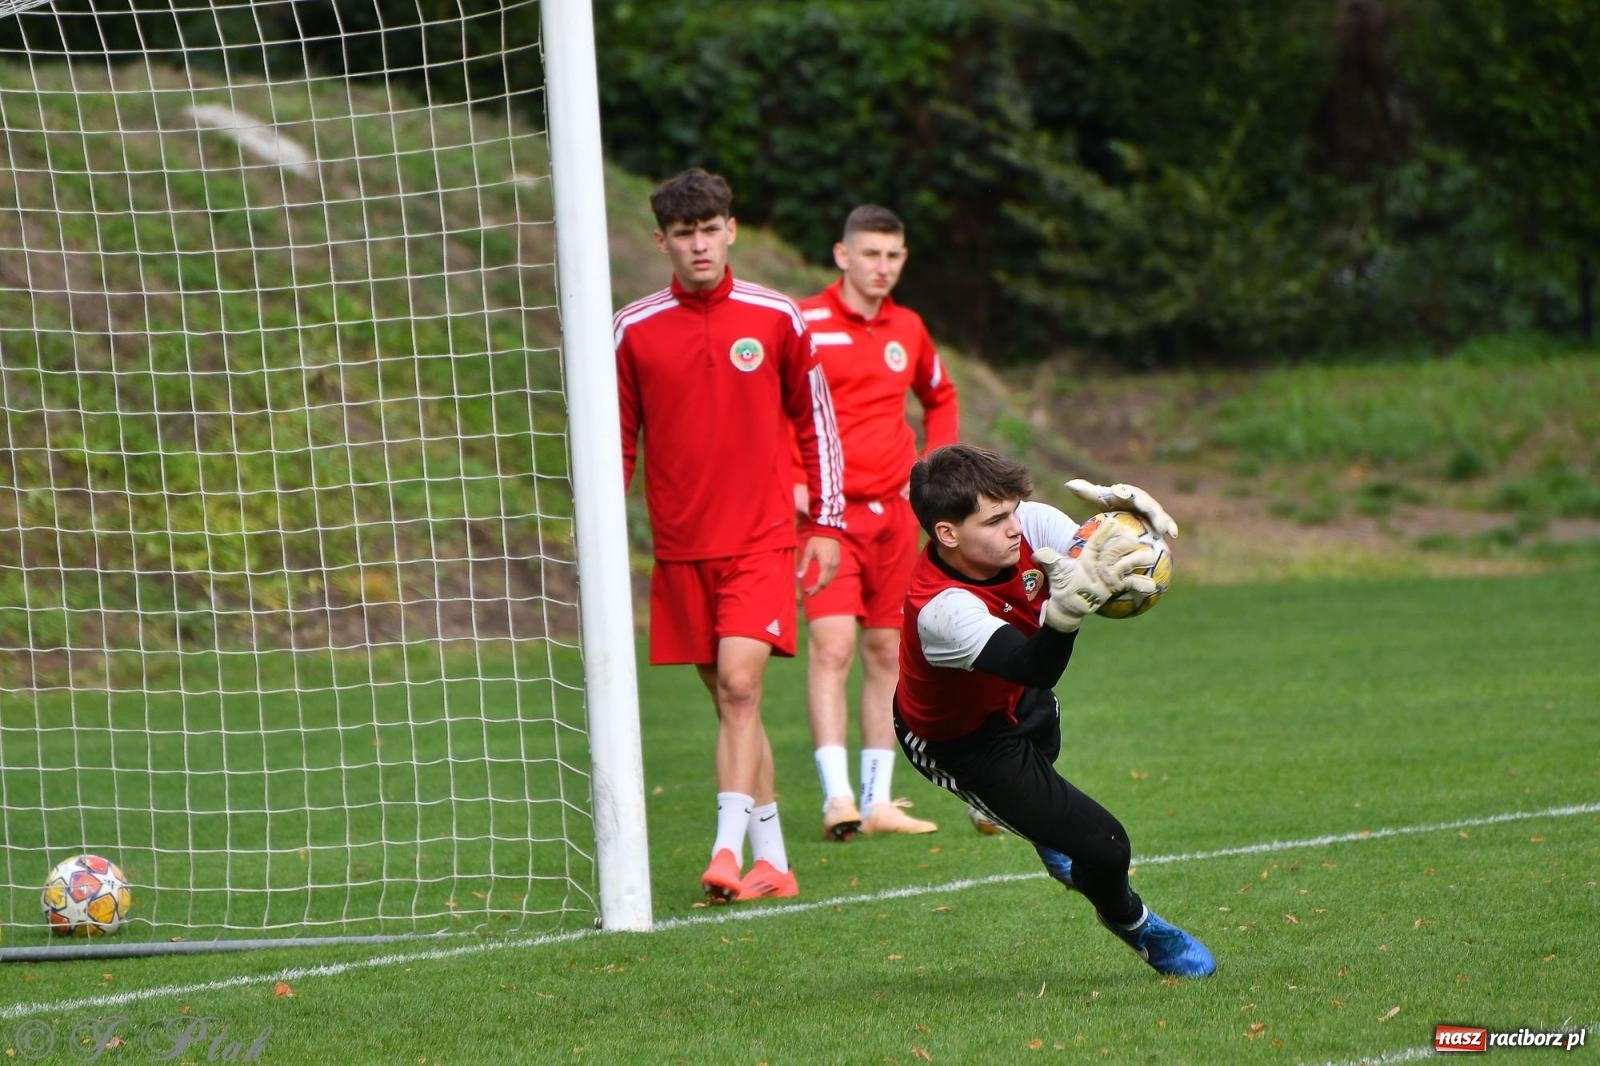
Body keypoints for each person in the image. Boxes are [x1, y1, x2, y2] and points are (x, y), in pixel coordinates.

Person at [893, 443, 1216, 978]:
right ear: (947, 534)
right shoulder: (940, 609)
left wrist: (1131, 529)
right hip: (962, 742)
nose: (1015, 527)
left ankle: (1026, 818)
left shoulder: (1032, 523)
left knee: (1046, 750)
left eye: (1014, 509)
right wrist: (1064, 614)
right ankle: (1139, 927)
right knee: (1107, 848)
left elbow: (1102, 567)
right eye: (995, 520)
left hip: (1022, 703)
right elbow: (1033, 664)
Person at [614, 168, 846, 903]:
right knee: (731, 704)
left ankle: (724, 849)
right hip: (681, 548)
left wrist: (826, 522)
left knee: (743, 687)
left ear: (731, 230)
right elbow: (615, 443)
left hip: (762, 539)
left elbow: (816, 421)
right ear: (663, 241)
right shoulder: (632, 328)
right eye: (684, 233)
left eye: (711, 229)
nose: (699, 245)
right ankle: (773, 861)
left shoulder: (776, 316)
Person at [792, 205, 959, 841]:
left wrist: (931, 470)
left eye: (892, 256)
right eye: (870, 254)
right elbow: (776, 408)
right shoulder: (804, 321)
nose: (881, 267)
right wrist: (791, 480)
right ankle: (838, 799)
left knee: (886, 650)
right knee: (832, 648)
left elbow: (940, 396)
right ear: (842, 255)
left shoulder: (910, 328)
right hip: (827, 521)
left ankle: (877, 798)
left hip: (894, 516)